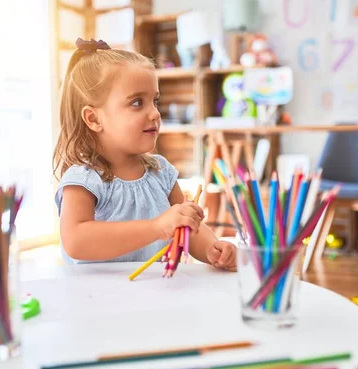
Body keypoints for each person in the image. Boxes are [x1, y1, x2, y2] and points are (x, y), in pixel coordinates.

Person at [53, 38, 236, 270]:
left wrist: (213, 249)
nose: (155, 113)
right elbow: (76, 240)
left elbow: (187, 228)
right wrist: (156, 227)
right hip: (96, 300)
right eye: (137, 102)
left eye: (155, 101)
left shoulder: (161, 173)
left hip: (152, 295)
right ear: (94, 118)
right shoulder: (85, 178)